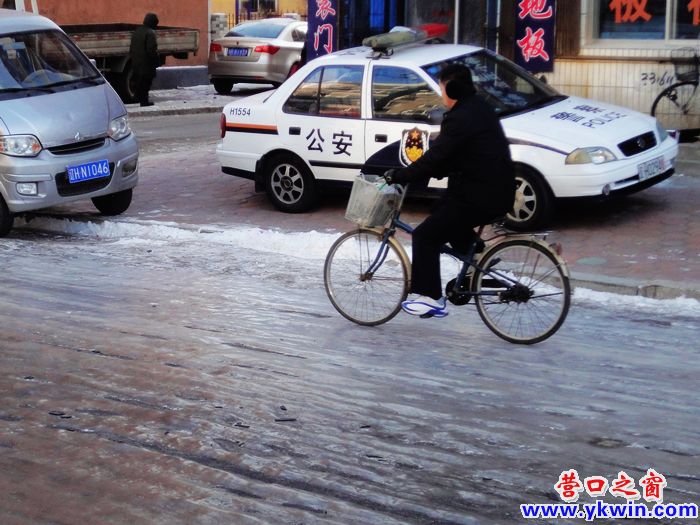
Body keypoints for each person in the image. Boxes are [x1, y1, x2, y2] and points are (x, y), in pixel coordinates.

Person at [384, 63, 515, 318]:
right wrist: (436, 171)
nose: (441, 96)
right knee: (442, 211)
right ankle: (477, 260)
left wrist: (402, 175)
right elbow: (459, 155)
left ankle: (429, 296)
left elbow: (437, 156)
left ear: (453, 89)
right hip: (494, 190)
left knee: (425, 235)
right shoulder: (479, 107)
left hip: (480, 195)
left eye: (443, 89)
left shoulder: (459, 118)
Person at [129, 13, 160, 107]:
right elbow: (151, 49)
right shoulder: (150, 33)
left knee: (140, 81)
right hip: (147, 63)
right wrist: (156, 59)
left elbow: (132, 47)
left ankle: (139, 98)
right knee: (146, 83)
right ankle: (144, 101)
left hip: (136, 61)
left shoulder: (137, 31)